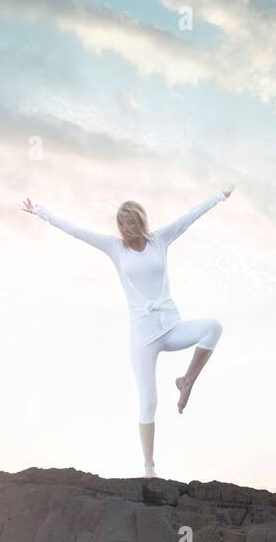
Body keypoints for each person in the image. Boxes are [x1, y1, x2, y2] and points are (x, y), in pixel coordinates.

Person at [21, 185, 233, 478]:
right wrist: (41, 212)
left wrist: (219, 197)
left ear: (142, 222)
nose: (127, 230)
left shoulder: (160, 240)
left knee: (213, 328)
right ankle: (149, 465)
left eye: (131, 224)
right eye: (122, 225)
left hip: (171, 326)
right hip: (143, 337)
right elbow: (75, 230)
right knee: (149, 401)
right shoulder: (114, 248)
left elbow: (190, 216)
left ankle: (186, 381)